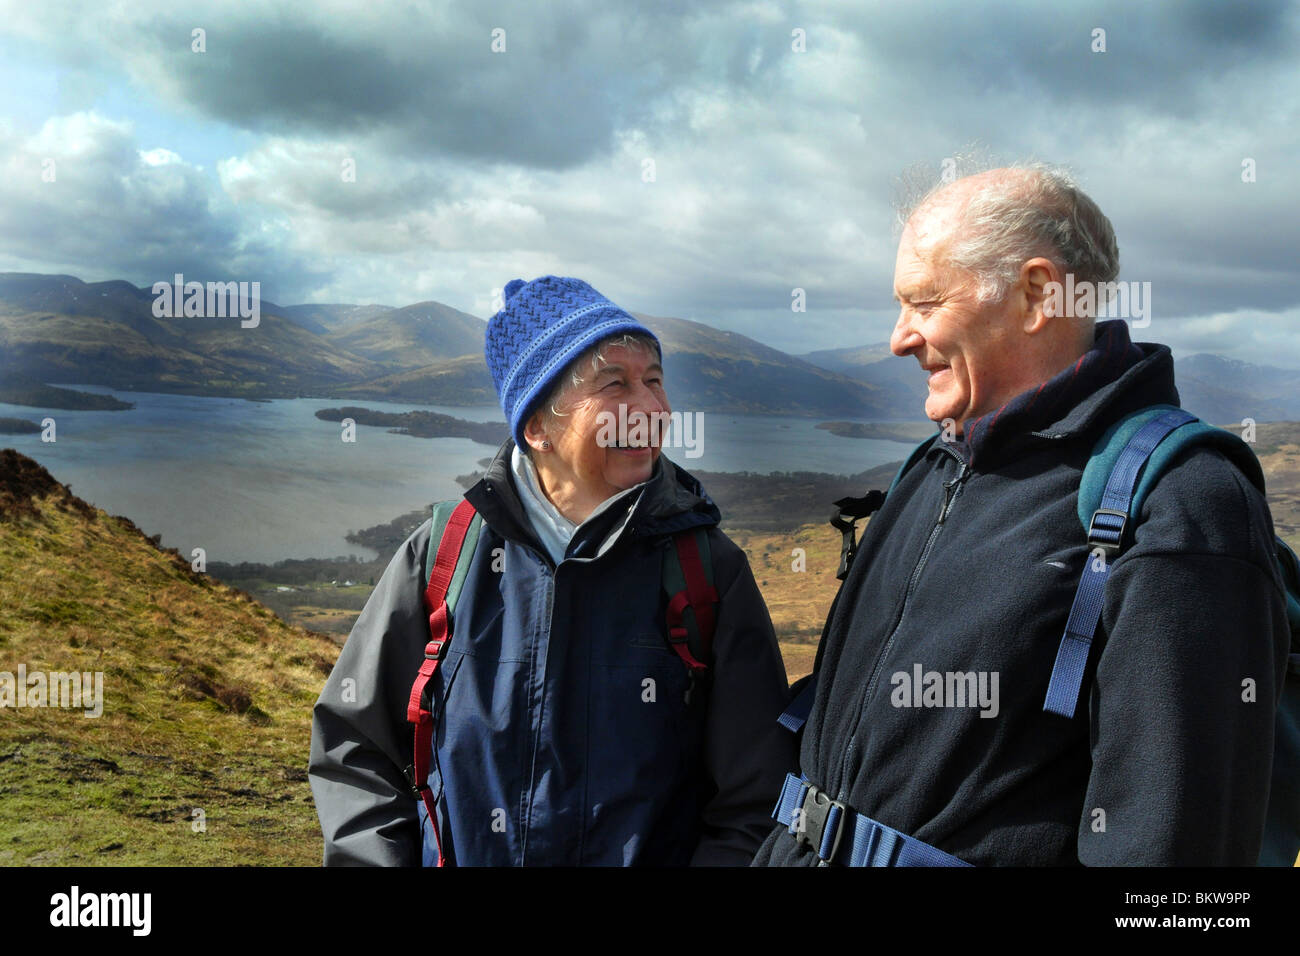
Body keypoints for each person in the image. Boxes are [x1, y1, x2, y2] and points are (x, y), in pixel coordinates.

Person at [753, 164, 1291, 866]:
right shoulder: (937, 463)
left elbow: (1175, 863)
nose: (898, 337)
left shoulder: (1182, 504)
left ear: (1036, 294)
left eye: (924, 302)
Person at [310, 275, 795, 865]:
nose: (649, 408)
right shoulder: (445, 554)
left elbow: (755, 798)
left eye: (655, 381)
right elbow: (358, 748)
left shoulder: (707, 571)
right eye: (614, 384)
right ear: (538, 427)